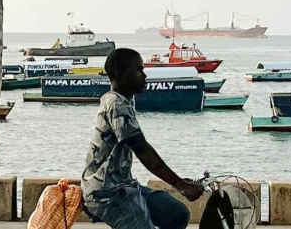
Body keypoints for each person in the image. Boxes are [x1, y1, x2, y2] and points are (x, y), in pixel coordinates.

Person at [81, 48, 204, 229]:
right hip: (106, 193)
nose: (144, 76)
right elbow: (142, 149)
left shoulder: (126, 99)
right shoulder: (116, 104)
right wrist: (180, 185)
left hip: (126, 185)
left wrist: (181, 181)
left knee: (177, 214)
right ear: (120, 74)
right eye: (138, 71)